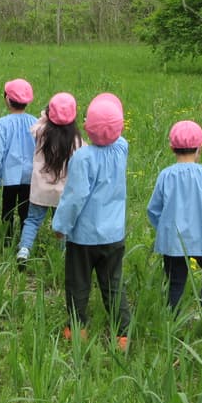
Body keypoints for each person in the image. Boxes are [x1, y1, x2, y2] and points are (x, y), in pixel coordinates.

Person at [52, 93, 131, 350]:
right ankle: (122, 333)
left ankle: (77, 327)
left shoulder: (83, 158)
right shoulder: (122, 149)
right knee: (113, 284)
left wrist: (61, 226)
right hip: (113, 235)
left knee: (78, 282)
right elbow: (116, 134)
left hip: (83, 236)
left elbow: (74, 197)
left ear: (87, 127)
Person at [147, 120, 202, 310]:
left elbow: (154, 208)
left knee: (175, 281)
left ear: (171, 147)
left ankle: (171, 319)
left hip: (172, 241)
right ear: (201, 147)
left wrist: (163, 228)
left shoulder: (166, 175)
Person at [15, 92, 82, 266]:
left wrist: (47, 114)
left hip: (41, 190)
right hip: (63, 191)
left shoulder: (42, 132)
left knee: (33, 220)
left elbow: (35, 125)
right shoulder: (76, 140)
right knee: (61, 223)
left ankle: (24, 250)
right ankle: (63, 253)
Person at [0, 78, 36, 245]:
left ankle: (7, 239)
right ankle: (25, 240)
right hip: (30, 175)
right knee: (26, 209)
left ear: (7, 100)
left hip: (9, 175)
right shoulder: (35, 122)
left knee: (7, 207)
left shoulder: (2, 124)